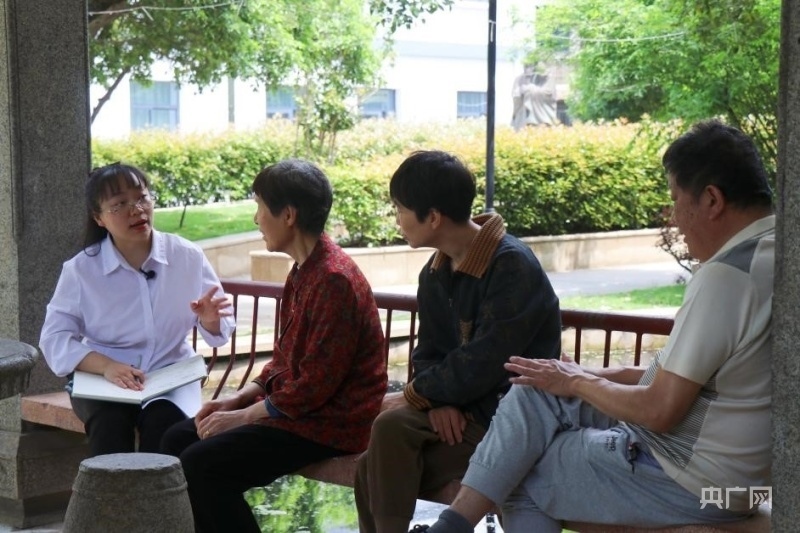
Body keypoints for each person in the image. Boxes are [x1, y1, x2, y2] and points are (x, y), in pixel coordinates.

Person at [419, 120, 775, 533]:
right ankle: (453, 525)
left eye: (676, 200)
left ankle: (451, 526)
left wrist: (576, 382)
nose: (675, 219)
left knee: (517, 471)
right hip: (742, 481)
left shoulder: (727, 278)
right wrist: (580, 374)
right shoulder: (774, 253)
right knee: (533, 389)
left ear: (712, 199)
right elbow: (692, 383)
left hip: (698, 483)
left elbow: (659, 410)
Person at [160, 159, 388, 533]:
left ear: (288, 215)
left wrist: (243, 417)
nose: (255, 219)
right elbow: (284, 359)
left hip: (331, 422)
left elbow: (314, 385)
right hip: (300, 411)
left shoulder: (333, 279)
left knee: (202, 464)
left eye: (260, 207)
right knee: (177, 439)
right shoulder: (304, 269)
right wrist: (236, 400)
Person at [354, 150, 562, 533]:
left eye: (400, 209)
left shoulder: (511, 265)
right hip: (463, 415)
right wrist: (438, 401)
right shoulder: (435, 272)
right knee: (373, 463)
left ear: (433, 217)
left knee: (384, 442)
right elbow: (428, 352)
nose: (397, 220)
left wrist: (419, 395)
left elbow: (485, 361)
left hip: (511, 421)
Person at [39, 162, 236, 457]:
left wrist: (210, 321)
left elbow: (221, 330)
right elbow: (54, 338)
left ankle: (158, 491)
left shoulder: (186, 256)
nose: (137, 209)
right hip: (103, 381)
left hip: (170, 375)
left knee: (165, 427)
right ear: (99, 218)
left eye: (142, 197)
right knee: (110, 424)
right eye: (119, 204)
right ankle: (111, 490)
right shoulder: (81, 270)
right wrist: (106, 366)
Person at [511, 63, 558, 130]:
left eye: (530, 65)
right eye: (526, 65)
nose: (527, 68)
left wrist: (530, 88)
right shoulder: (519, 79)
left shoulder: (547, 78)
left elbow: (549, 92)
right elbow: (516, 97)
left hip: (543, 116)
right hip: (524, 117)